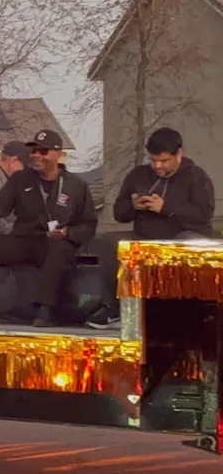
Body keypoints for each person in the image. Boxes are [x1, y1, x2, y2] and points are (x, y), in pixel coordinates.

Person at [0, 129, 97, 327]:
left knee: (59, 248)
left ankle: (45, 310)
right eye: (33, 151)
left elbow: (89, 224)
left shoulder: (76, 185)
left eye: (43, 152)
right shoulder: (20, 179)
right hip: (25, 240)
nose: (36, 156)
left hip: (55, 243)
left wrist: (69, 233)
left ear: (58, 155)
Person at [86, 127, 215, 329]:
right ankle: (115, 308)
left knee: (185, 244)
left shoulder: (196, 177)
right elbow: (119, 213)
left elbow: (203, 215)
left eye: (164, 161)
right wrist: (134, 207)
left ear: (179, 154)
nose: (158, 166)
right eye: (153, 160)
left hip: (180, 236)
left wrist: (165, 208)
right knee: (106, 242)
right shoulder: (138, 175)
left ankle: (180, 313)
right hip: (143, 236)